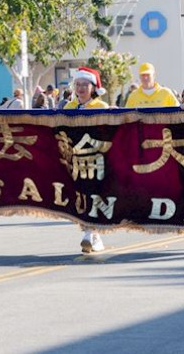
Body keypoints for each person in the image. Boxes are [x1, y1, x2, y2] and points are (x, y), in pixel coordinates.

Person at [63, 67, 110, 253]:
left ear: (93, 87)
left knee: (93, 194)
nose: (81, 88)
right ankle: (91, 233)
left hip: (97, 158)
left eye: (85, 85)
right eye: (78, 84)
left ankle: (91, 232)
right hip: (74, 159)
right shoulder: (69, 107)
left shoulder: (101, 107)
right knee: (80, 196)